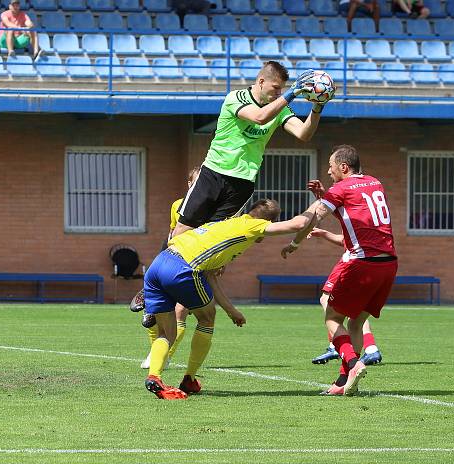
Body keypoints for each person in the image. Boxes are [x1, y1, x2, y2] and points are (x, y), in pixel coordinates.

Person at [132, 61, 331, 314]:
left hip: (241, 185)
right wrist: (292, 93)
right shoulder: (235, 98)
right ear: (260, 82)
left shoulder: (279, 109)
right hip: (212, 174)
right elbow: (260, 117)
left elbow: (304, 134)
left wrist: (317, 107)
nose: (279, 93)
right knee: (181, 233)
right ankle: (149, 291)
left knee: (212, 240)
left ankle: (172, 301)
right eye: (276, 88)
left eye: (282, 90)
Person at [143, 199, 316, 399]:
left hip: (159, 263)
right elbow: (298, 224)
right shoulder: (252, 224)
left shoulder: (225, 224)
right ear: (269, 221)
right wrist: (320, 203)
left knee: (167, 333)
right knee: (206, 318)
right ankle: (189, 378)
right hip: (182, 268)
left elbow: (209, 277)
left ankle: (154, 377)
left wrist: (231, 311)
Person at [282, 145, 397, 396]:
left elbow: (313, 218)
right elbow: (356, 214)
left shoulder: (341, 189)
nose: (328, 171)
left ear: (343, 167)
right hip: (388, 264)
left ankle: (354, 365)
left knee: (332, 318)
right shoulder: (374, 183)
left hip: (361, 263)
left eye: (331, 167)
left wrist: (294, 242)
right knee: (355, 324)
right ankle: (344, 382)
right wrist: (328, 195)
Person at [139, 166, 201, 370]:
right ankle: (156, 352)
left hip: (195, 262)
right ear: (189, 183)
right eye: (195, 181)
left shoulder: (210, 208)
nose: (198, 185)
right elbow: (172, 233)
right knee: (156, 313)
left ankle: (165, 356)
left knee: (180, 312)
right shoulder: (177, 205)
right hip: (171, 258)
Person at [308, 227, 383, 366]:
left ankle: (337, 345)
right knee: (355, 309)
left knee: (329, 301)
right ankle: (370, 347)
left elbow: (346, 240)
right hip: (368, 262)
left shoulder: (353, 208)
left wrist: (296, 242)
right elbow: (348, 239)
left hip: (352, 261)